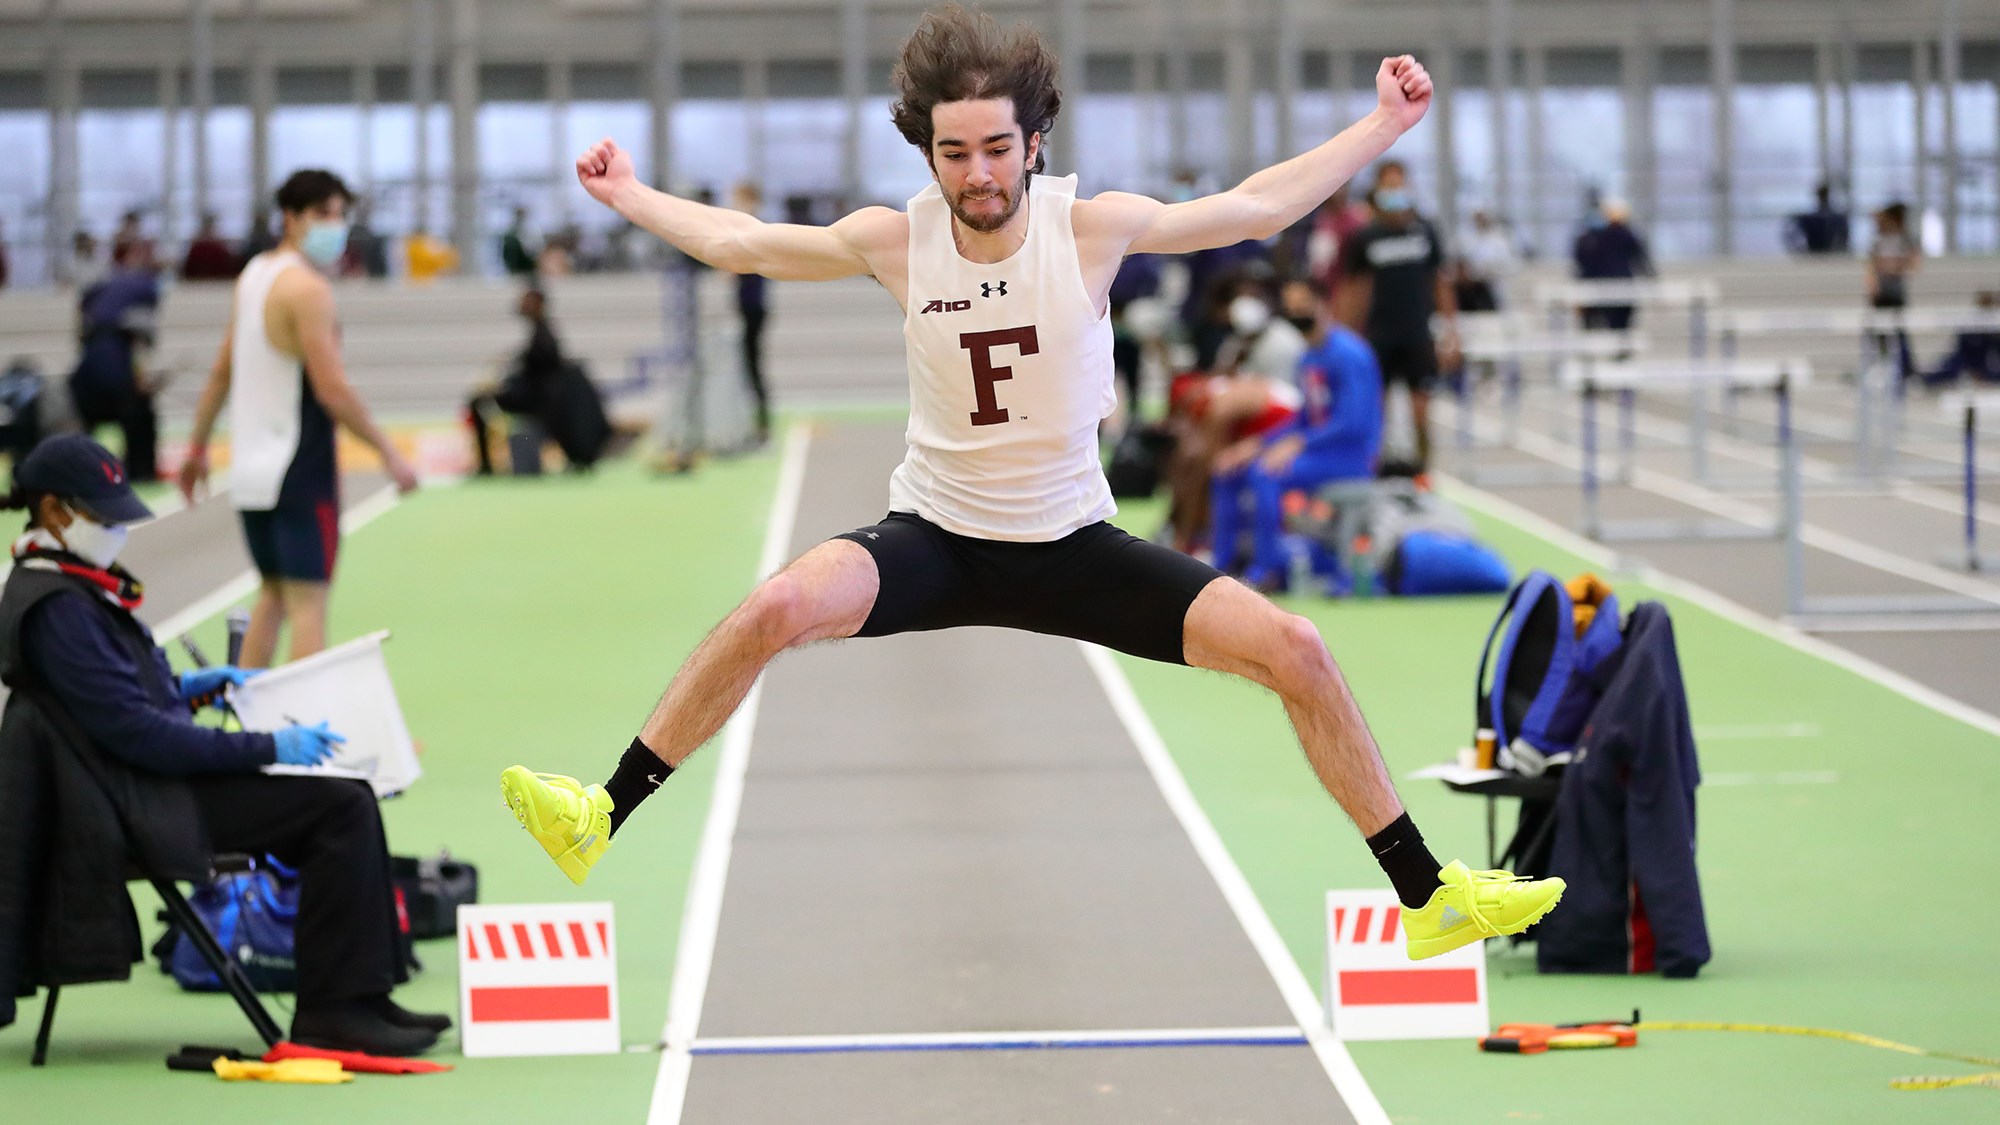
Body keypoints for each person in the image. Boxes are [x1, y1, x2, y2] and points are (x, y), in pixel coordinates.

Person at [499, 4, 1561, 962]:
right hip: (933, 538)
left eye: (997, 148)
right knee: (775, 605)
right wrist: (626, 193)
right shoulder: (895, 242)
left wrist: (1381, 125)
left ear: (1034, 140)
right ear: (927, 152)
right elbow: (740, 242)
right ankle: (600, 811)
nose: (978, 174)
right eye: (954, 153)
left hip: (1072, 547)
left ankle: (1426, 894)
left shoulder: (1088, 228)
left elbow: (1251, 208)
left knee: (1299, 649)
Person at [0, 434, 447, 1055]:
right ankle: (335, 1010)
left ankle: (362, 997)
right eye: (105, 517)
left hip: (139, 784)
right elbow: (137, 734)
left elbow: (114, 707)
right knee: (338, 808)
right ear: (54, 511)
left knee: (349, 797)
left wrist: (188, 691)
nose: (118, 531)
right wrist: (268, 746)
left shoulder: (68, 586)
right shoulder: (57, 607)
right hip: (131, 805)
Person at [179, 169, 420, 668]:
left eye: (340, 215)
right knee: (309, 604)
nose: (335, 225)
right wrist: (388, 452)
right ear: (290, 218)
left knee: (273, 596)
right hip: (298, 468)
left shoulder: (253, 276)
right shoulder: (308, 289)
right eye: (323, 214)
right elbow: (332, 390)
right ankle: (305, 716)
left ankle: (245, 714)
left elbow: (222, 371)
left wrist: (197, 447)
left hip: (251, 472)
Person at [1210, 282, 1383, 589]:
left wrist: (1298, 443)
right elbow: (1304, 419)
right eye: (1289, 308)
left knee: (1265, 473)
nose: (1296, 313)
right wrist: (1257, 443)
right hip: (1318, 452)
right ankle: (1222, 564)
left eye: (1302, 305)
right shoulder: (1308, 358)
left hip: (1350, 457)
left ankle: (1267, 570)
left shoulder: (1349, 354)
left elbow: (1353, 423)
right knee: (1229, 469)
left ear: (1322, 304)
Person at [1336, 161, 1457, 472]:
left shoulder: (1425, 231)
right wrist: (1344, 335)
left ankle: (1424, 472)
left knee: (1421, 411)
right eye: (1388, 186)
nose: (1395, 192)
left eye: (1399, 184)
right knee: (1378, 410)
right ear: (1378, 190)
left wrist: (1451, 332)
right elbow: (1355, 289)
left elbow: (1440, 282)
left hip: (1417, 333)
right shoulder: (1366, 237)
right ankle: (1375, 472)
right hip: (1380, 334)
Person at [69, 240, 163, 483]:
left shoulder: (104, 283)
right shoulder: (146, 287)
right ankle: (141, 470)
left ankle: (85, 470)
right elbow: (140, 340)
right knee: (140, 411)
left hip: (84, 378)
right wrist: (140, 380)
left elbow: (82, 313)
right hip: (113, 375)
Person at [467, 286, 567, 475]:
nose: (522, 304)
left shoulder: (543, 335)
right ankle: (486, 463)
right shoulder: (540, 331)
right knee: (481, 400)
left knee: (478, 402)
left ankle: (486, 465)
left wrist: (504, 386)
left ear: (538, 304)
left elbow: (537, 374)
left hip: (536, 400)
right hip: (536, 396)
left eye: (526, 301)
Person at [731, 183, 773, 444]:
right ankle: (756, 423)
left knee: (753, 368)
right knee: (748, 368)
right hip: (747, 308)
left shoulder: (754, 230)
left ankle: (762, 426)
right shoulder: (747, 230)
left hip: (753, 308)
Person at [1570, 197, 1651, 331]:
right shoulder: (1626, 236)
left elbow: (1587, 265)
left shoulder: (1598, 238)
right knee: (1619, 328)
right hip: (1621, 287)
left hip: (1604, 287)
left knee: (1603, 327)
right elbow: (1642, 261)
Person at [1866, 201, 1920, 381]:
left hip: (1895, 291)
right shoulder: (1879, 240)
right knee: (1878, 331)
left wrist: (1894, 267)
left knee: (1898, 331)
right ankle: (1880, 365)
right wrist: (1874, 283)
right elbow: (1872, 265)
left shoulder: (1905, 239)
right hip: (1882, 292)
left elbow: (1914, 264)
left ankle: (1905, 369)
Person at [1785, 182, 1850, 256]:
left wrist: (1799, 249)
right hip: (1827, 254)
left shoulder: (1809, 218)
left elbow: (1790, 233)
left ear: (1818, 195)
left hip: (1815, 253)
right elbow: (1844, 237)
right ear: (1829, 196)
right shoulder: (1837, 218)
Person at [180, 212, 239, 281]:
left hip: (200, 284)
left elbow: (187, 274)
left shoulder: (197, 248)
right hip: (215, 284)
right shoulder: (219, 248)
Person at [500, 206, 538, 278]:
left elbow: (534, 247)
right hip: (515, 260)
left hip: (527, 261)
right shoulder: (511, 231)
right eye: (519, 215)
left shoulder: (532, 229)